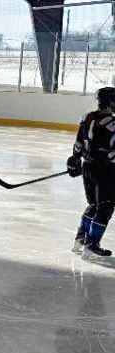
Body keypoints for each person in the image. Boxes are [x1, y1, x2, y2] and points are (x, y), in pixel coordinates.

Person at [68, 86, 115, 257]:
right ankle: (92, 245)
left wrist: (75, 159)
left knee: (93, 205)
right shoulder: (112, 123)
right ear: (109, 101)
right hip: (105, 169)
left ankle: (80, 240)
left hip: (88, 166)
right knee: (106, 206)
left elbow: (79, 142)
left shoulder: (88, 117)